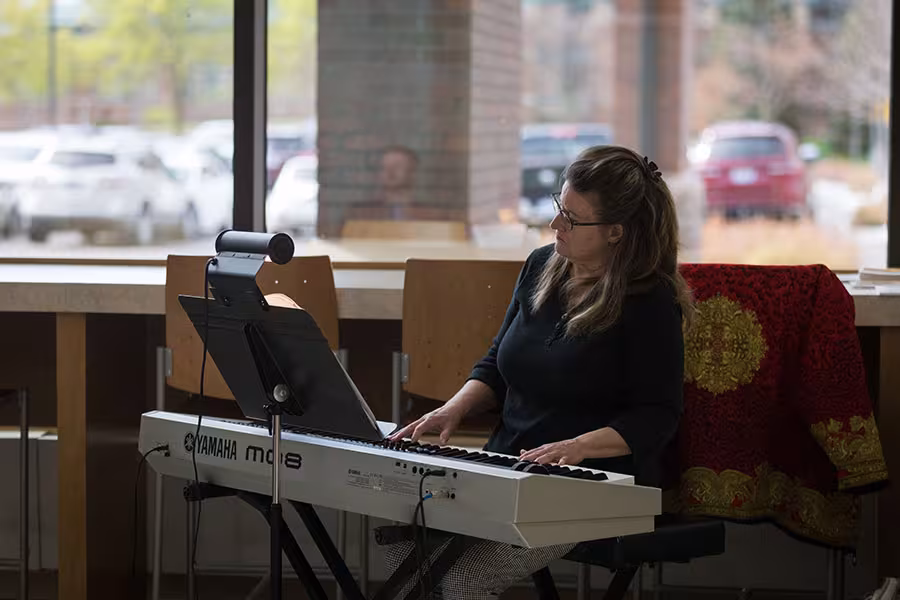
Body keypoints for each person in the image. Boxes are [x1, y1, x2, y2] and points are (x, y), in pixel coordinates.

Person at [379, 145, 694, 599]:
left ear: (616, 233)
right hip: (507, 462)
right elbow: (497, 365)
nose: (554, 225)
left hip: (590, 484)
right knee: (401, 536)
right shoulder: (540, 266)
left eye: (571, 218)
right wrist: (451, 410)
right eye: (558, 208)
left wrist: (575, 447)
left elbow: (657, 416)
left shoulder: (651, 302)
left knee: (460, 582)